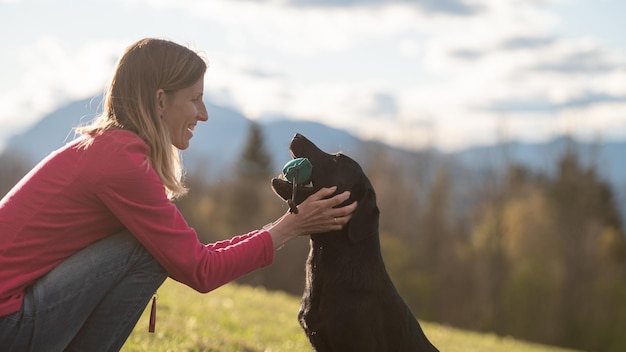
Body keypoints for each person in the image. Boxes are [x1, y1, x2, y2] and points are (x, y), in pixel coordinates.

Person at [0, 38, 357, 351]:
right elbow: (200, 270)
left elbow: (192, 257)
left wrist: (280, 227)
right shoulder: (122, 164)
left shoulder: (108, 150)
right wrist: (290, 227)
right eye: (195, 99)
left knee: (150, 246)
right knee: (143, 248)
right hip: (7, 327)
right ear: (160, 101)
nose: (202, 114)